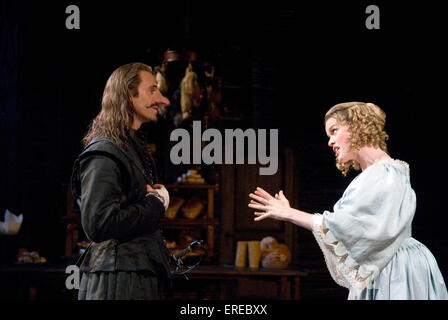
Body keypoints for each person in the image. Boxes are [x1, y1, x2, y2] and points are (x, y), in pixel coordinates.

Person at [248, 102, 448, 300]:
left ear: (357, 125)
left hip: (394, 272)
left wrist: (289, 213)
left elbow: (346, 227)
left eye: (334, 131)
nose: (330, 141)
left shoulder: (383, 173)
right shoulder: (380, 173)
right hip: (387, 265)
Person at [71, 62, 172, 300]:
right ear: (129, 94)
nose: (162, 100)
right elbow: (99, 224)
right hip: (117, 281)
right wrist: (156, 204)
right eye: (152, 90)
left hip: (133, 275)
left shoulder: (130, 147)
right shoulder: (105, 152)